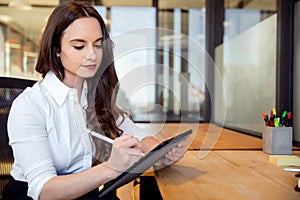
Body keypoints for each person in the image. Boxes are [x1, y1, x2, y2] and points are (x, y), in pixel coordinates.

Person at [1, 1, 187, 200]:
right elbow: (44, 190)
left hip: (86, 192)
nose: (92, 55)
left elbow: (138, 137)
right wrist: (111, 168)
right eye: (79, 46)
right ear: (56, 49)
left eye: (98, 45)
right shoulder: (30, 105)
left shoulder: (95, 95)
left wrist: (161, 152)